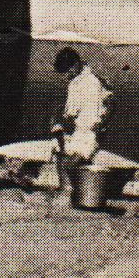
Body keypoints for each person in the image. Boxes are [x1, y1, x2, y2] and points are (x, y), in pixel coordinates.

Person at [51, 47, 112, 196]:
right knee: (60, 150)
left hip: (88, 133)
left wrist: (57, 119)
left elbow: (70, 113)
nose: (67, 75)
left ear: (76, 64)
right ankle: (70, 190)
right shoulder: (93, 78)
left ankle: (68, 191)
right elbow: (110, 100)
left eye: (68, 71)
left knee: (66, 161)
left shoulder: (82, 83)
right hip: (87, 131)